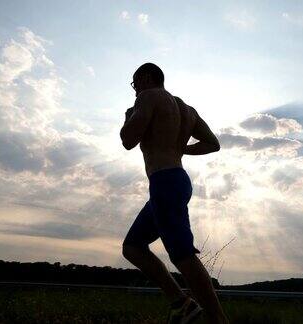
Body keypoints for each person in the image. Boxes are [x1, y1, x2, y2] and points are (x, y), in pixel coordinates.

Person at [120, 62, 229, 324]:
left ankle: (218, 320)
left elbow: (128, 140)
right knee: (133, 247)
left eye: (135, 85)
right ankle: (182, 304)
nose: (135, 91)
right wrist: (181, 149)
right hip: (176, 179)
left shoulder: (148, 96)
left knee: (181, 253)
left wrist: (129, 117)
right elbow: (213, 144)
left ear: (145, 78)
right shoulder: (186, 109)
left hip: (165, 181)